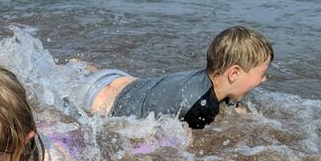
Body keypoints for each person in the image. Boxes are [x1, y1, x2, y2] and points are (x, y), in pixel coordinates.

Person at [71, 26, 274, 129]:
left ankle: (77, 65)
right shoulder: (201, 107)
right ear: (235, 73)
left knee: (74, 74)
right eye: (262, 74)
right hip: (97, 103)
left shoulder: (206, 80)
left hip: (116, 80)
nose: (264, 80)